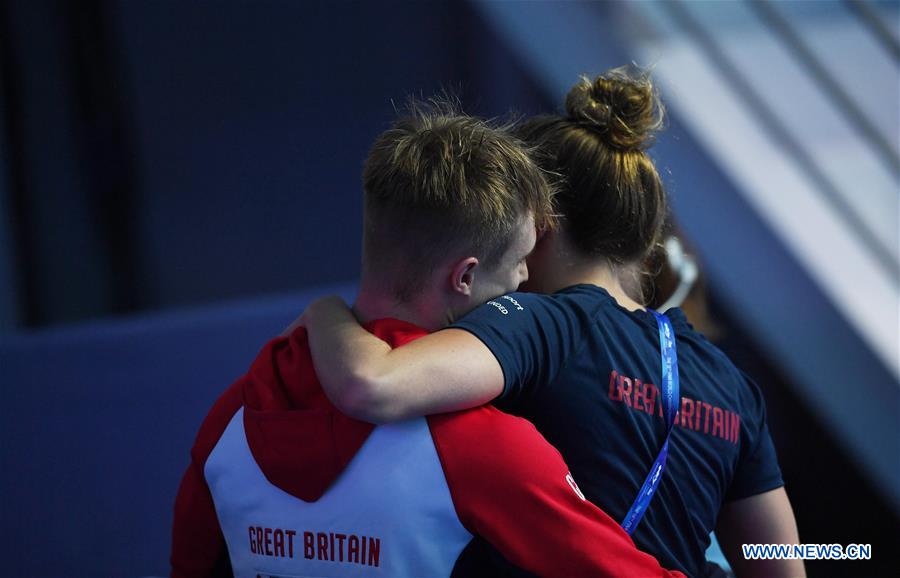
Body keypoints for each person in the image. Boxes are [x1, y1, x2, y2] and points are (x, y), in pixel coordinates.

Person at [301, 68, 805, 578]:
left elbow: (374, 384)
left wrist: (324, 313)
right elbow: (779, 565)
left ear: (538, 225)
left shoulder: (540, 324)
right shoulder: (732, 384)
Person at [170, 99, 684, 578]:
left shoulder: (229, 419)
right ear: (464, 277)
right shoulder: (483, 447)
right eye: (519, 260)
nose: (527, 278)